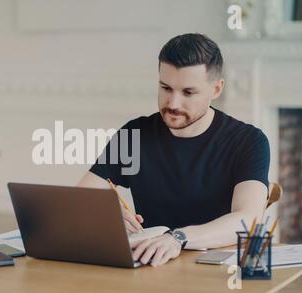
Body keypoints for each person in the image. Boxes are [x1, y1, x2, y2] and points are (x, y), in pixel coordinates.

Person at [77, 33, 270, 267]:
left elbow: (248, 219)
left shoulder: (248, 141)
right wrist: (106, 213)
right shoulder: (135, 133)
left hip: (215, 270)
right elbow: (81, 198)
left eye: (188, 92)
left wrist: (178, 237)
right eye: (166, 88)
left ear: (216, 89)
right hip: (151, 265)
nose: (173, 103)